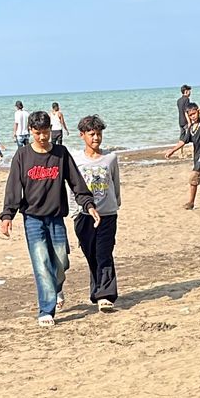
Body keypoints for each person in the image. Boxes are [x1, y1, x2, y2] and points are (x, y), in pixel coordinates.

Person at [0, 110, 90, 327]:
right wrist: (7, 216)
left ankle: (57, 287)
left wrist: (88, 203)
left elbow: (76, 182)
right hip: (32, 218)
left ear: (51, 129)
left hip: (56, 217)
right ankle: (46, 310)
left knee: (61, 262)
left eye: (46, 132)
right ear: (30, 131)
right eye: (38, 133)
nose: (42, 137)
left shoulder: (61, 153)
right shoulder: (22, 156)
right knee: (41, 263)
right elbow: (13, 188)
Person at [71, 114, 121, 312]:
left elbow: (115, 182)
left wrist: (116, 203)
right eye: (92, 134)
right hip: (83, 215)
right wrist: (75, 211)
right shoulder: (75, 159)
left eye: (99, 134)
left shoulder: (110, 158)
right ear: (82, 135)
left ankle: (106, 294)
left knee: (104, 253)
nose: (96, 138)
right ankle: (97, 290)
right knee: (91, 254)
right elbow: (71, 186)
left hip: (107, 212)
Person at [166, 103, 200, 209]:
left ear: (197, 112)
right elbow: (183, 141)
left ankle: (191, 202)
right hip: (197, 156)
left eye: (194, 113)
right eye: (190, 115)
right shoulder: (191, 128)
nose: (193, 116)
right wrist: (172, 150)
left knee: (193, 178)